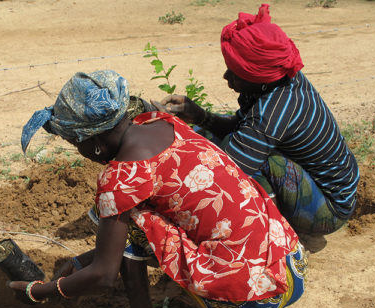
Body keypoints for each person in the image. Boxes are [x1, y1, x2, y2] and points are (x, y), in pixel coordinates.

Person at [10, 69, 307, 308]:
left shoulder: (121, 179)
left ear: (96, 143)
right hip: (290, 267)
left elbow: (103, 275)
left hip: (247, 297)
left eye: (76, 144)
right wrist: (79, 261)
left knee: (128, 218)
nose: (80, 152)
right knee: (202, 217)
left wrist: (39, 291)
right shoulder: (165, 123)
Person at [153, 3, 359, 236]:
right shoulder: (279, 76)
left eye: (236, 74)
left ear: (258, 78)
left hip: (329, 208)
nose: (226, 77)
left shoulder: (274, 110)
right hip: (322, 181)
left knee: (247, 168)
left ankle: (275, 241)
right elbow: (240, 129)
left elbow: (226, 172)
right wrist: (200, 116)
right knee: (206, 135)